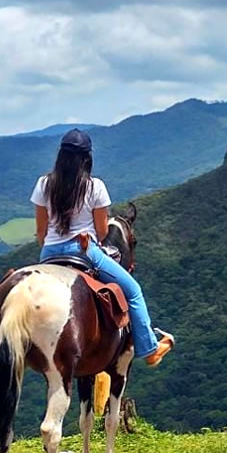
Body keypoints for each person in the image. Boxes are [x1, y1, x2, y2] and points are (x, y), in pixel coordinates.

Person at [31, 128, 174, 366]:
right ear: (87, 158)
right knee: (134, 291)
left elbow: (41, 231)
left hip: (48, 253)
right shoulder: (94, 187)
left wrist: (51, 248)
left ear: (60, 156)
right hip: (83, 251)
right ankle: (149, 349)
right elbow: (102, 231)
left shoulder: (43, 184)